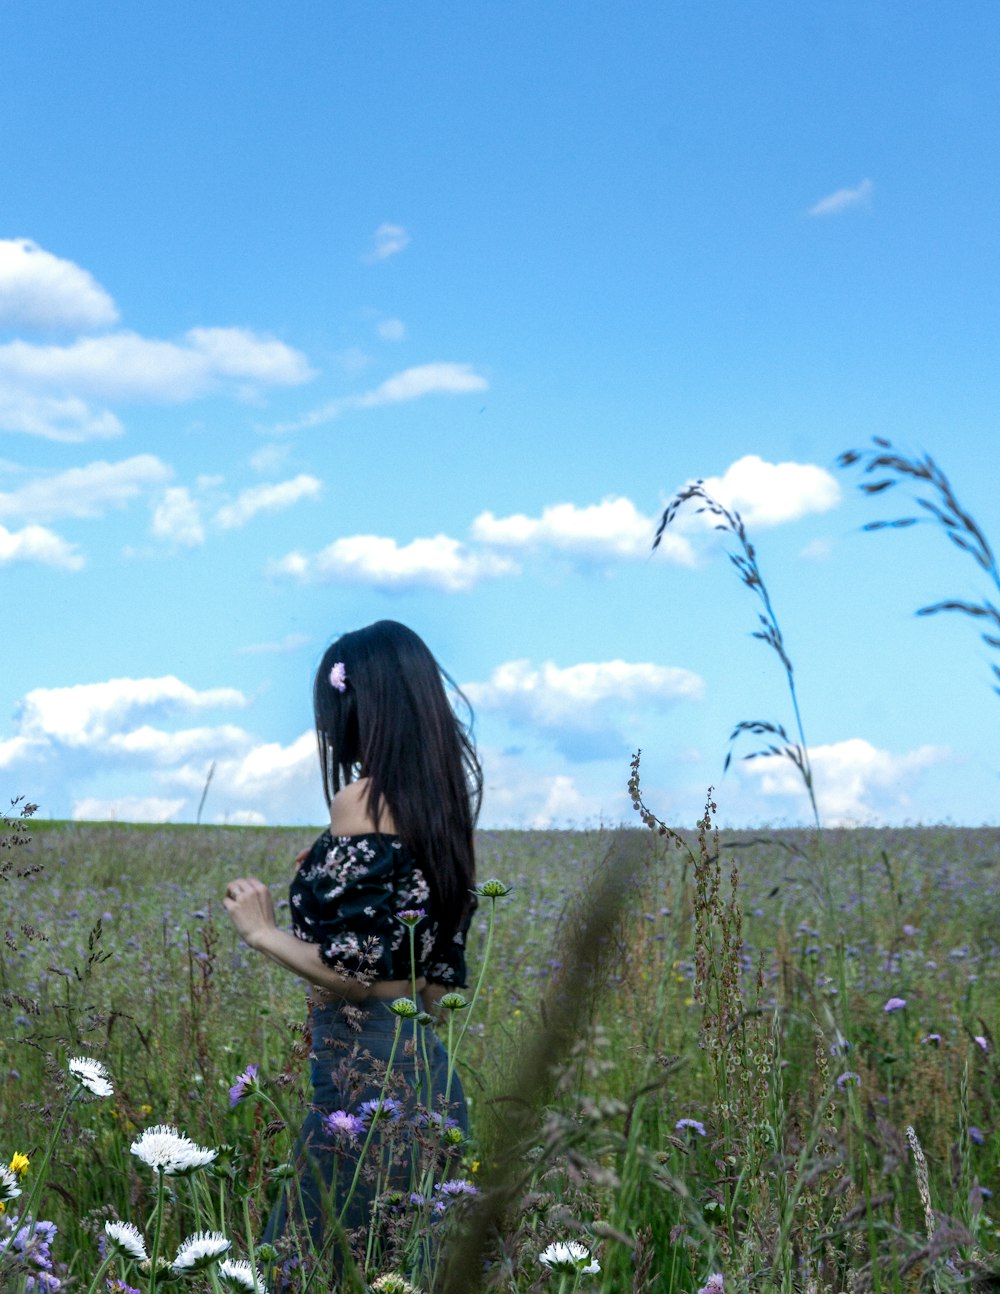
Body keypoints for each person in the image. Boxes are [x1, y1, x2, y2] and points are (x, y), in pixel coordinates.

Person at [222, 620, 481, 1276]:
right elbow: (433, 988)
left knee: (301, 1266)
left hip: (361, 1077)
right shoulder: (443, 808)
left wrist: (262, 932)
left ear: (359, 709)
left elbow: (357, 975)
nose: (328, 729)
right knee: (402, 1267)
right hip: (430, 1071)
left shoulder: (359, 801)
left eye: (331, 709)